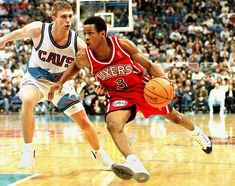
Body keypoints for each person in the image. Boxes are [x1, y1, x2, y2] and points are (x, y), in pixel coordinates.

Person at [48, 16, 212, 183]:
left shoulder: (123, 45)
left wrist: (165, 79)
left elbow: (148, 65)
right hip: (118, 94)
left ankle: (196, 132)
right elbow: (75, 66)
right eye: (85, 34)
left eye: (90, 33)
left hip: (142, 88)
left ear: (102, 33)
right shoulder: (84, 56)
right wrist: (61, 81)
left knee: (175, 117)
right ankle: (134, 162)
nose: (86, 37)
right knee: (113, 125)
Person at [0, 2, 113, 169]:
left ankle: (99, 152)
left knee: (85, 123)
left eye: (70, 16)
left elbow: (94, 64)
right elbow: (20, 32)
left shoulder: (77, 42)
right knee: (28, 100)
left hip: (60, 85)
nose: (68, 20)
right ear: (54, 18)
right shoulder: (39, 29)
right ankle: (28, 149)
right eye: (64, 16)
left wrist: (104, 82)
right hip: (36, 80)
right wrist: (3, 39)